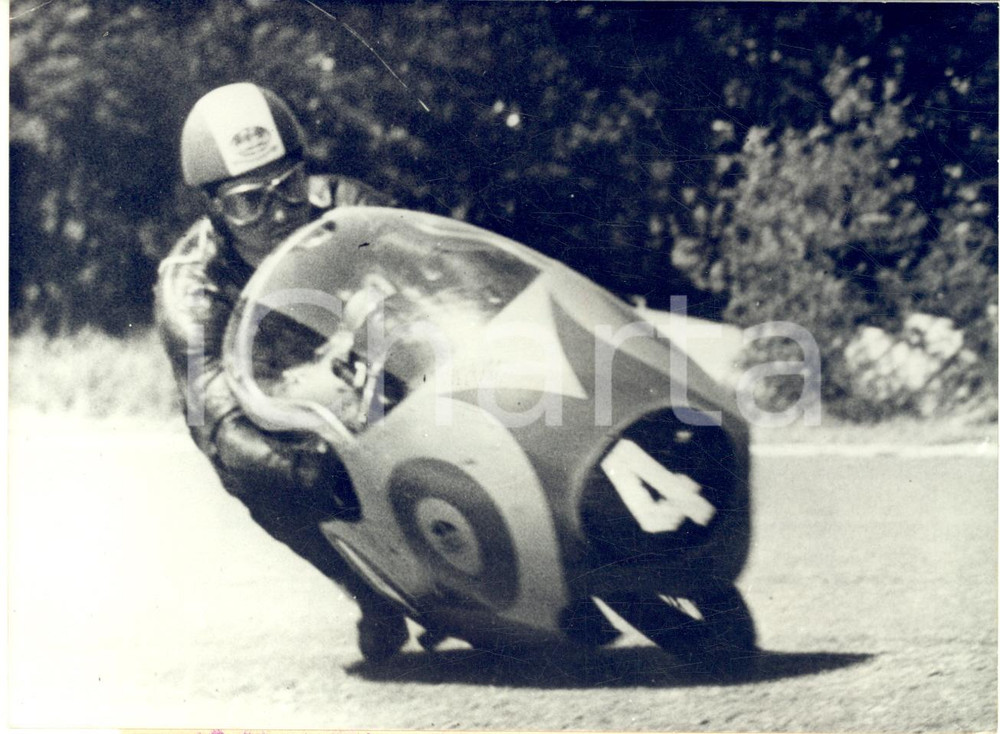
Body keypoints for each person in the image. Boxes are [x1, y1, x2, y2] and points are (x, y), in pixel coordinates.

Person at [154, 82, 409, 662]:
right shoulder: (190, 286)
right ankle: (372, 591)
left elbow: (443, 272)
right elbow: (215, 418)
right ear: (215, 207)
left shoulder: (349, 206)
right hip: (285, 411)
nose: (278, 213)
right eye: (249, 201)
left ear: (305, 174)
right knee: (244, 469)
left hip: (380, 364)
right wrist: (302, 468)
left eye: (289, 187)